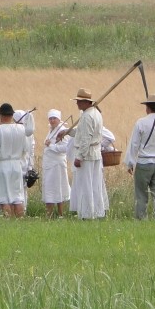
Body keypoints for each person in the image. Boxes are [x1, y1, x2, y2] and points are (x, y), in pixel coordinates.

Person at [125, 94, 155, 220]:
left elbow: (134, 144)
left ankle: (141, 219)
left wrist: (130, 163)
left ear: (147, 107)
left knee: (141, 195)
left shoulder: (141, 122)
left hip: (144, 163)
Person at [61, 88, 106, 220]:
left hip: (87, 155)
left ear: (86, 102)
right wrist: (67, 132)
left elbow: (86, 138)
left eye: (79, 101)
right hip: (95, 154)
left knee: (85, 185)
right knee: (95, 184)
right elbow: (81, 132)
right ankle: (97, 212)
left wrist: (79, 157)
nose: (77, 103)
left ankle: (87, 214)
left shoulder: (87, 116)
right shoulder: (96, 113)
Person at [0, 103, 29, 217]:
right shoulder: (21, 129)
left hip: (2, 165)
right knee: (17, 197)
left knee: (4, 197)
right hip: (16, 165)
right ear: (11, 115)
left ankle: (7, 221)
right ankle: (20, 221)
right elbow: (26, 149)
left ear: (1, 115)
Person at [42, 109, 70, 218]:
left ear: (59, 119)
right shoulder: (51, 130)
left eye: (54, 118)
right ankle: (51, 214)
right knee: (51, 188)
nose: (52, 120)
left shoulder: (62, 131)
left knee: (58, 188)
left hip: (57, 165)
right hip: (50, 165)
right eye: (50, 118)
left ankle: (58, 214)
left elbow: (66, 148)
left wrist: (51, 146)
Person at [13, 109, 36, 180]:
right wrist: (30, 167)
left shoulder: (15, 132)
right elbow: (31, 151)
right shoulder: (29, 133)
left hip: (16, 165)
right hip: (25, 164)